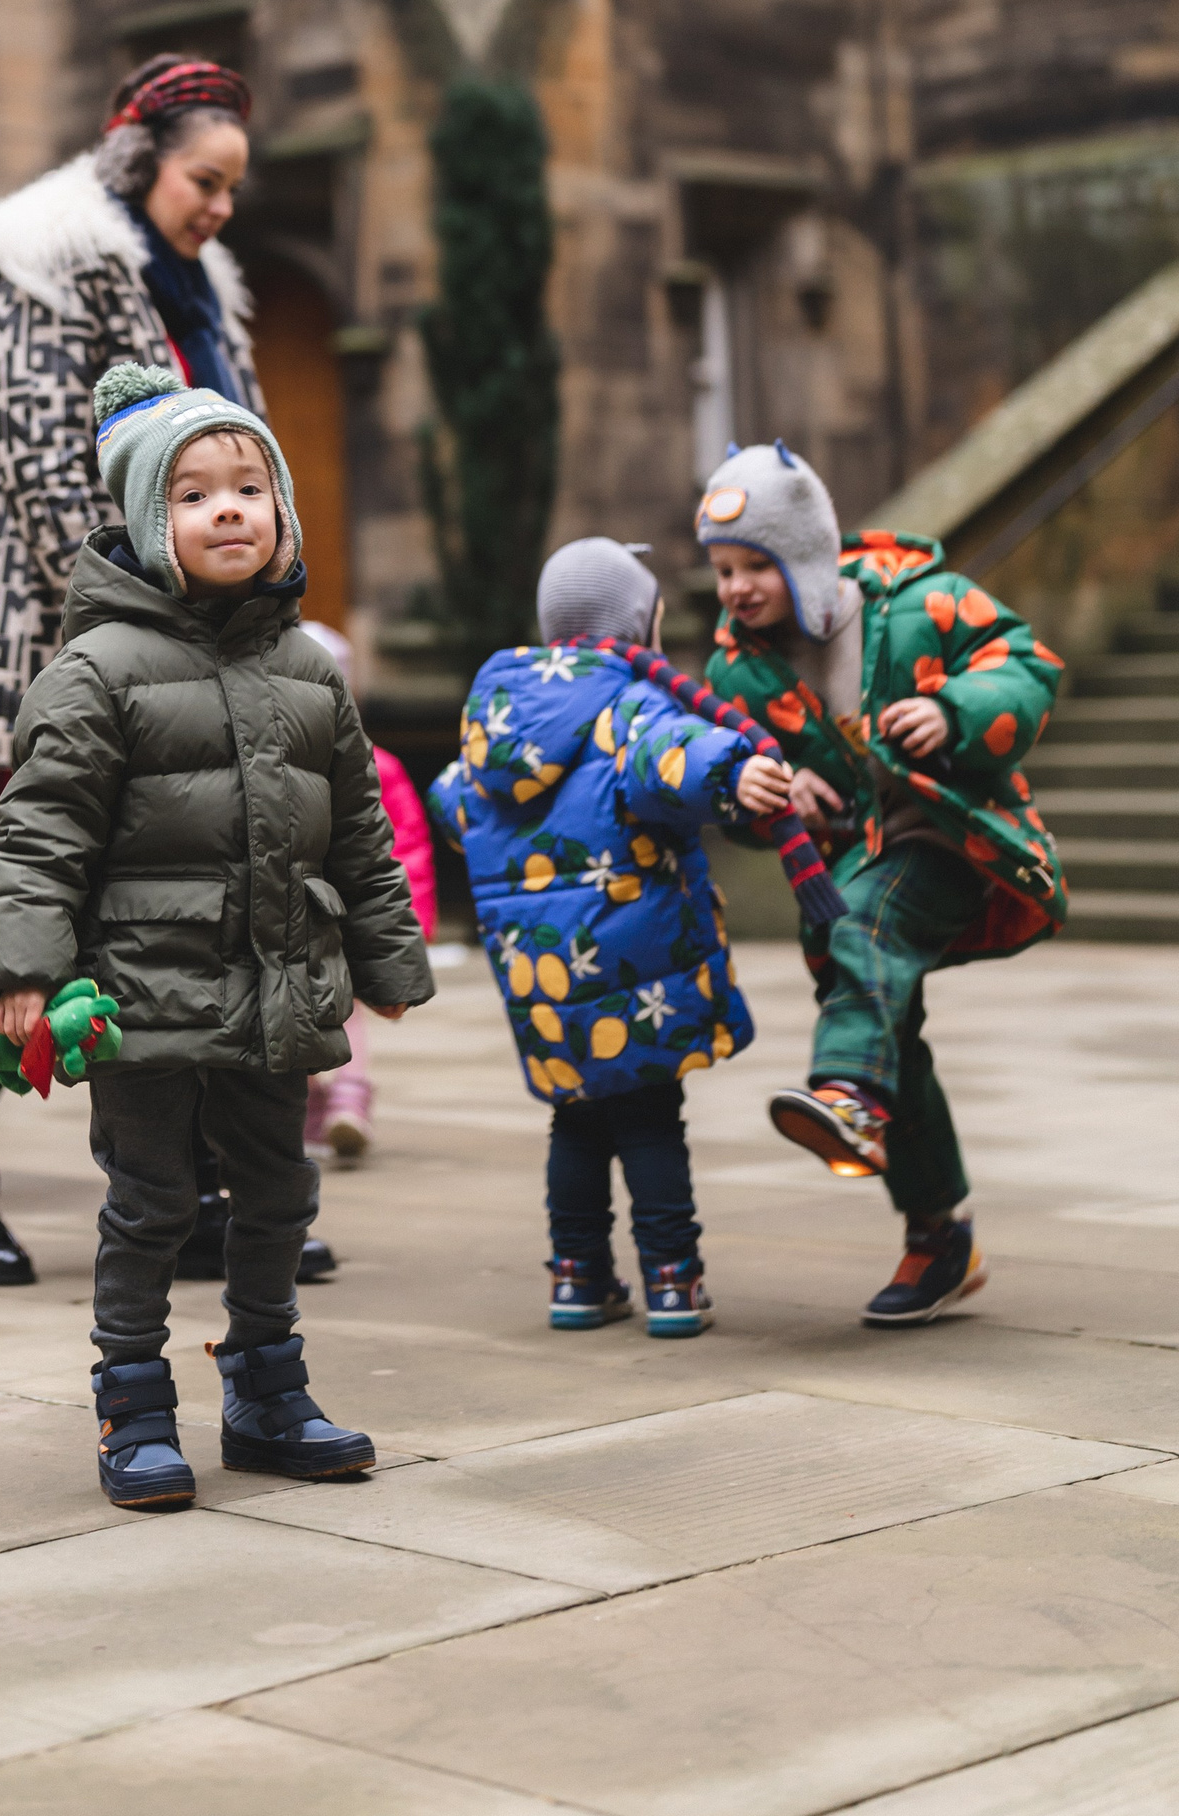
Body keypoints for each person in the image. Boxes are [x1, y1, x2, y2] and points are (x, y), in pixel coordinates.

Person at [0, 363, 435, 1508]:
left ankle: (267, 1391)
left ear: (281, 510)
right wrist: (23, 968)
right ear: (147, 521)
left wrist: (387, 956)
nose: (228, 510)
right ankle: (132, 1403)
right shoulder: (96, 673)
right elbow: (37, 835)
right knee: (152, 1203)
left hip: (276, 990)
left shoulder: (309, 672)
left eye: (248, 488)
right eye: (192, 495)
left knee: (279, 1194)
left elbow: (360, 832)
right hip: (143, 996)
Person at [0, 53, 334, 1283]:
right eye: (205, 181)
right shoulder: (42, 265)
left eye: (232, 188)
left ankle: (206, 1190)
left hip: (202, 653)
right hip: (53, 654)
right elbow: (35, 468)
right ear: (139, 161)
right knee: (8, 917)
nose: (222, 207)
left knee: (188, 914)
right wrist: (157, 605)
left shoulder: (198, 290)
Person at [699, 442, 1065, 1326]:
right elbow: (732, 778)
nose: (736, 587)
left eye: (756, 564)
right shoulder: (737, 670)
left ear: (805, 553)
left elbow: (1026, 665)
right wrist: (768, 789)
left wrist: (951, 710)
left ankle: (849, 1099)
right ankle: (940, 1236)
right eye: (722, 569)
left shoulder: (918, 604)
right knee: (882, 1018)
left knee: (863, 927)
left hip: (955, 838)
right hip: (850, 859)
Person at [430, 537, 792, 1337]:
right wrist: (734, 771)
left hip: (543, 978)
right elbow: (672, 756)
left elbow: (455, 803)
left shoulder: (499, 723)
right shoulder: (630, 705)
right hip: (637, 967)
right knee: (651, 1118)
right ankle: (672, 1280)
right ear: (639, 626)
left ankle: (578, 1276)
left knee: (576, 1118)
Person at [298, 621, 438, 1161]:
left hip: (335, 918)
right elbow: (410, 848)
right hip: (324, 916)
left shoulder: (369, 764)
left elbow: (403, 848)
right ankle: (335, 1104)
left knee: (326, 1010)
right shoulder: (375, 761)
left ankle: (337, 1102)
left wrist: (407, 919)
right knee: (330, 1012)